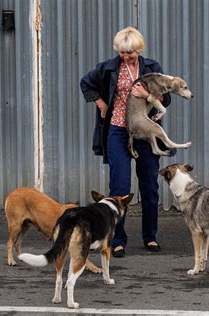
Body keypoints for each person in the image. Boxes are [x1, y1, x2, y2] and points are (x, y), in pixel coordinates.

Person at [80, 27, 171, 257]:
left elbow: (166, 98)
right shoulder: (109, 68)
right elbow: (86, 83)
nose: (126, 56)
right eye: (122, 52)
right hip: (118, 131)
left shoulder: (152, 68)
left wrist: (147, 96)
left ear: (139, 50)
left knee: (149, 185)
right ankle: (117, 239)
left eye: (129, 52)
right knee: (119, 188)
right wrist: (100, 104)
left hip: (145, 131)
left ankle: (150, 237)